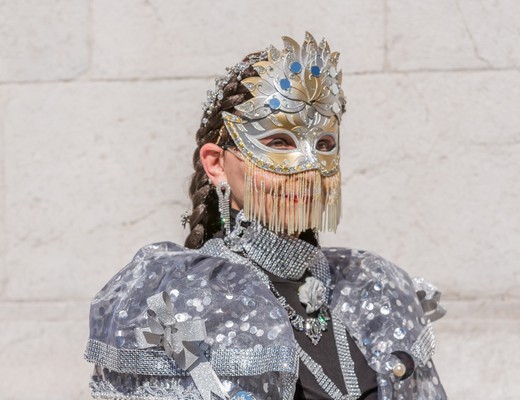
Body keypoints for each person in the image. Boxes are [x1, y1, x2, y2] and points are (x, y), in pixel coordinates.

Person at [84, 32, 447, 400]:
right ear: (216, 164)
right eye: (279, 143)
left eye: (324, 145)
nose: (307, 167)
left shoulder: (372, 285)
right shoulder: (177, 299)